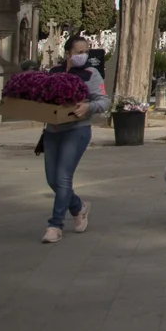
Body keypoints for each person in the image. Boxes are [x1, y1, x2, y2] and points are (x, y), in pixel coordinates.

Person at [37, 33, 108, 243]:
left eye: (86, 52)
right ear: (68, 53)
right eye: (79, 52)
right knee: (52, 179)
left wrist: (88, 106)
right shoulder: (54, 72)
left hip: (77, 130)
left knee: (63, 177)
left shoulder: (90, 73)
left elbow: (103, 101)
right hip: (53, 130)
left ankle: (55, 225)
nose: (83, 56)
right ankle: (78, 207)